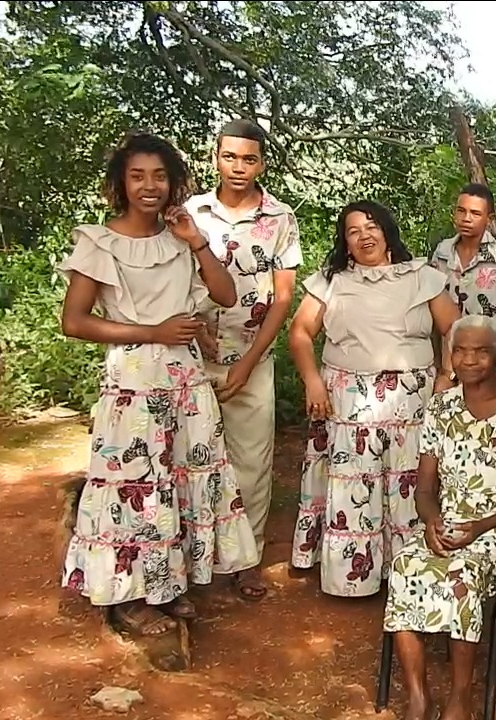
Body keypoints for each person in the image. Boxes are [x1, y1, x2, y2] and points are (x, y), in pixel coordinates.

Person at [60, 130, 259, 635]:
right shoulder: (99, 241)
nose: (149, 186)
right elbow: (75, 321)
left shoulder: (181, 238)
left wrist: (196, 241)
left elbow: (225, 293)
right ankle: (128, 598)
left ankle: (168, 586)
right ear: (120, 184)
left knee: (181, 480)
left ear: (173, 183)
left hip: (186, 381)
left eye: (159, 176)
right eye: (137, 176)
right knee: (135, 486)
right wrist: (152, 331)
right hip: (133, 382)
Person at [288, 201, 462, 598]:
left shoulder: (422, 276)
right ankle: (353, 577)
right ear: (345, 243)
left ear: (387, 232)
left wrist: (446, 375)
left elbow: (453, 326)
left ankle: (408, 572)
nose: (365, 235)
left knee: (409, 482)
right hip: (347, 401)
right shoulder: (331, 281)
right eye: (353, 230)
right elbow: (299, 333)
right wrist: (312, 381)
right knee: (356, 483)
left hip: (411, 400)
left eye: (372, 227)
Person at [382, 315, 496, 720]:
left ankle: (460, 698)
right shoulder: (441, 406)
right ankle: (418, 696)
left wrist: (480, 528)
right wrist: (431, 522)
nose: (469, 360)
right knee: (404, 564)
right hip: (448, 520)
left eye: (481, 351)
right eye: (460, 350)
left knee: (462, 572)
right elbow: (425, 488)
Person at [187, 118, 302, 601]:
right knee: (189, 459)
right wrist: (196, 332)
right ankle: (188, 559)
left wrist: (249, 361)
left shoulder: (280, 218)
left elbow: (282, 298)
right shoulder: (189, 213)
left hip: (253, 356)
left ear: (261, 163)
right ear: (215, 157)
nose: (238, 167)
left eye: (249, 158)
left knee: (251, 462)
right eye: (229, 156)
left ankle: (246, 561)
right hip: (190, 354)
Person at [429, 183, 496, 324]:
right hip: (450, 343)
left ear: (489, 220)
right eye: (461, 211)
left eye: (475, 213)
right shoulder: (442, 252)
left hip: (490, 342)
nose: (466, 218)